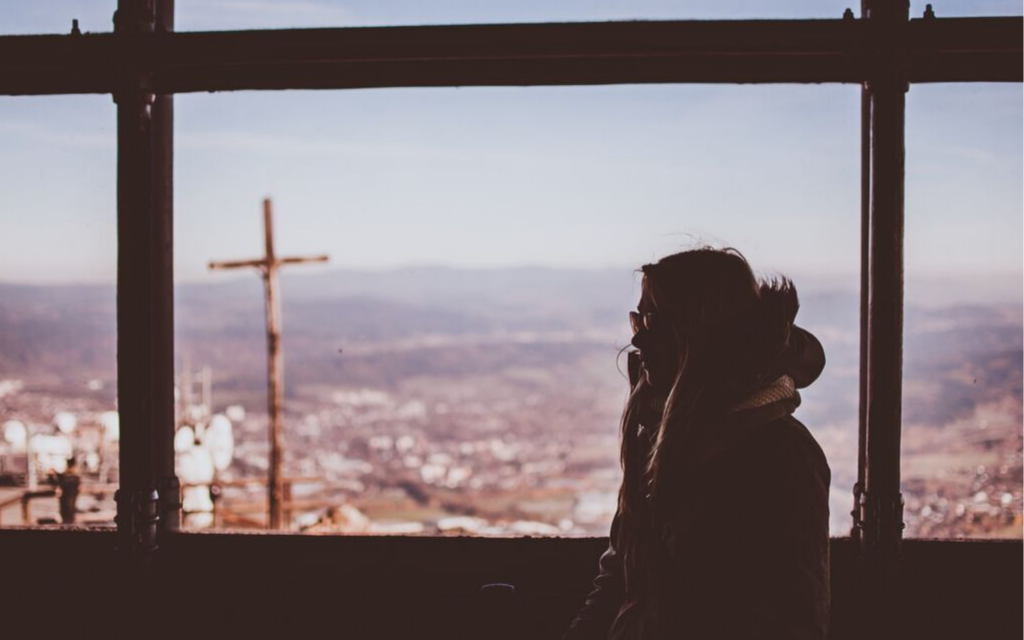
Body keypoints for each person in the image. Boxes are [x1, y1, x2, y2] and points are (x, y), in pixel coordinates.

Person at [561, 247, 831, 640]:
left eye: (654, 321)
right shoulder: (658, 431)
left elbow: (787, 623)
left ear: (700, 331)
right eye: (639, 321)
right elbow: (622, 577)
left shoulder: (781, 456)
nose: (639, 342)